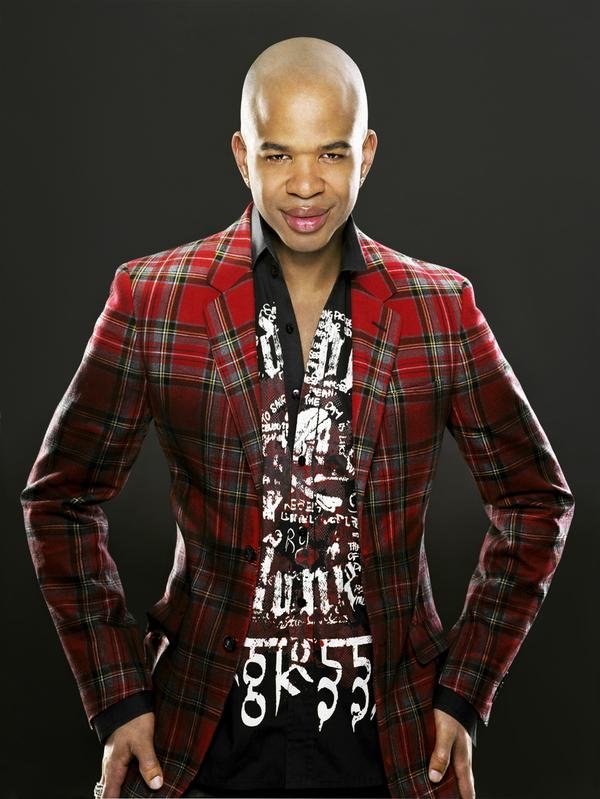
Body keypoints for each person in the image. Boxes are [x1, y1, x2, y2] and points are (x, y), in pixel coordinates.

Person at [21, 36, 574, 799]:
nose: (306, 184)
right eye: (278, 154)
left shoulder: (439, 307)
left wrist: (466, 689)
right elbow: (61, 499)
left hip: (394, 749)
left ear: (366, 154)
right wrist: (117, 694)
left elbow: (534, 500)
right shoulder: (155, 298)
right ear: (241, 156)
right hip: (199, 743)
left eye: (332, 153)